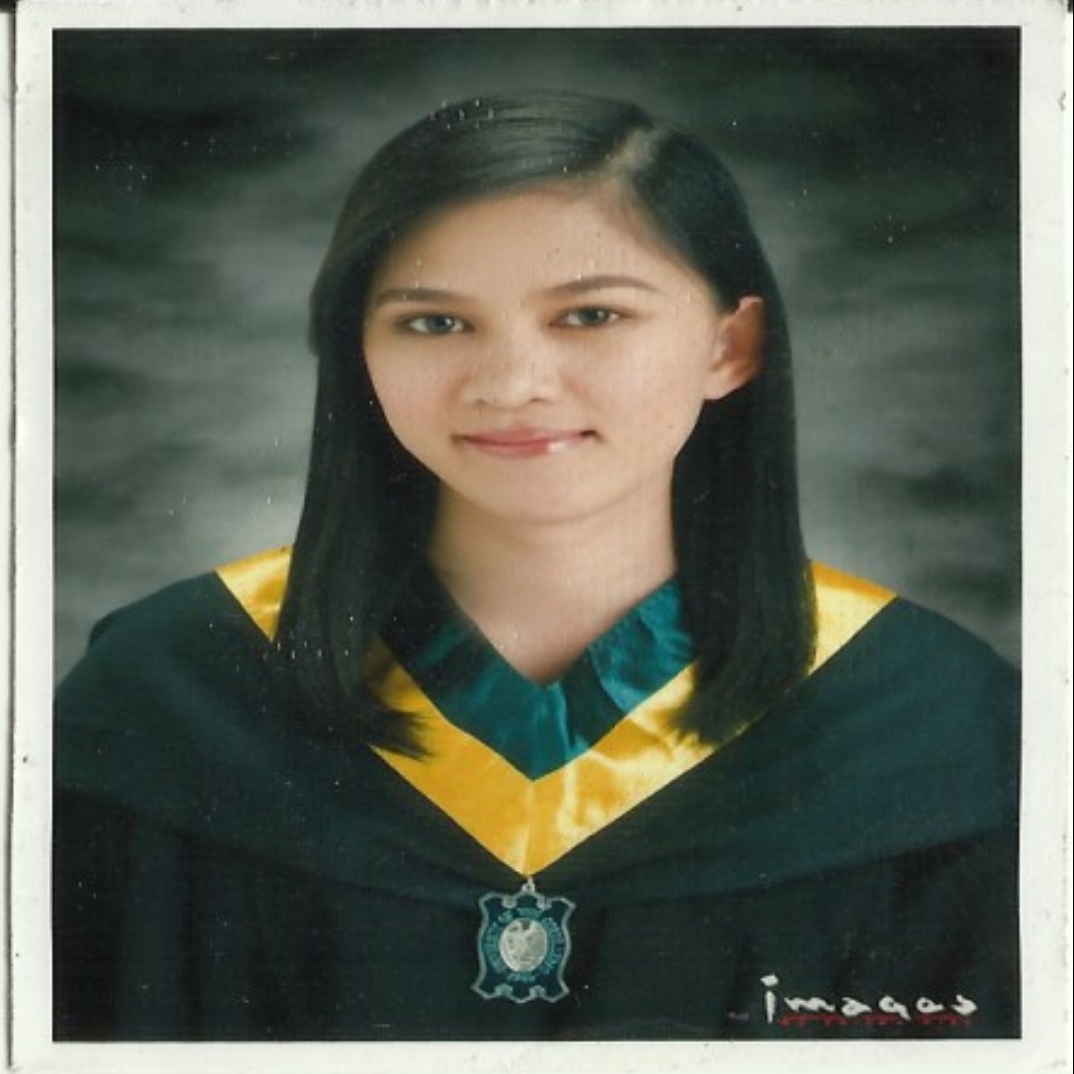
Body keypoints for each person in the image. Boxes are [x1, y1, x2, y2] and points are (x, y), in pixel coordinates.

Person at [53, 91, 1020, 1041]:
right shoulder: (168, 697)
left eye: (591, 315)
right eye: (435, 323)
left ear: (730, 347)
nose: (512, 385)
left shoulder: (930, 723)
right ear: (360, 354)